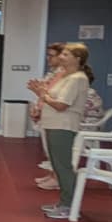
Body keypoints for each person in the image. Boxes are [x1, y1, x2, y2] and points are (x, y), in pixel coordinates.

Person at [29, 42, 90, 220]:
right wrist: (41, 93)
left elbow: (62, 105)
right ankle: (64, 202)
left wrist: (42, 94)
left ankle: (69, 206)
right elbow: (52, 98)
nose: (60, 57)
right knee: (57, 165)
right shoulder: (64, 76)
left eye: (65, 54)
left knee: (63, 166)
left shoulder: (77, 78)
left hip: (63, 126)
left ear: (77, 59)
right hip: (53, 124)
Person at [32, 43, 68, 191]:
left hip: (56, 116)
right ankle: (52, 174)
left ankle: (58, 178)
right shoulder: (53, 73)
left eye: (51, 56)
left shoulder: (64, 75)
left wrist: (40, 98)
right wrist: (37, 108)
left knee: (55, 149)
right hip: (47, 113)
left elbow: (51, 95)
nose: (48, 58)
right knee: (49, 148)